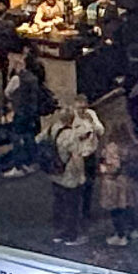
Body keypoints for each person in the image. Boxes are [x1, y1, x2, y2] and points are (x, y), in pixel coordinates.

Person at [49, 98, 103, 244]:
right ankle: (70, 236)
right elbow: (77, 156)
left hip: (55, 170)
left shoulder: (54, 128)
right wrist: (81, 176)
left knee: (59, 203)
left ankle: (58, 233)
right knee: (71, 205)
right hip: (69, 174)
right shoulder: (70, 135)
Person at [96, 137, 138, 247]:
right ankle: (133, 230)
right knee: (128, 206)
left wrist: (103, 168)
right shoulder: (133, 145)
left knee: (115, 209)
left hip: (114, 184)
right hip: (128, 181)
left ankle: (120, 235)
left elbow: (114, 168)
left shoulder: (112, 147)